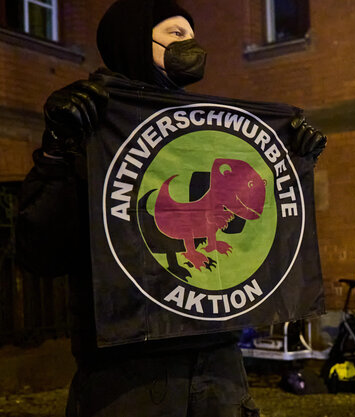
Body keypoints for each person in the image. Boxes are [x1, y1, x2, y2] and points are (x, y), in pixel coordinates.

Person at [15, 1, 326, 415]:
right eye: (176, 35)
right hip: (128, 373)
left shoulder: (203, 132)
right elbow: (41, 253)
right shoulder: (94, 124)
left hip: (219, 363)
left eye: (192, 36)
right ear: (133, 42)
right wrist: (58, 152)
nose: (191, 46)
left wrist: (290, 161)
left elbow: (247, 230)